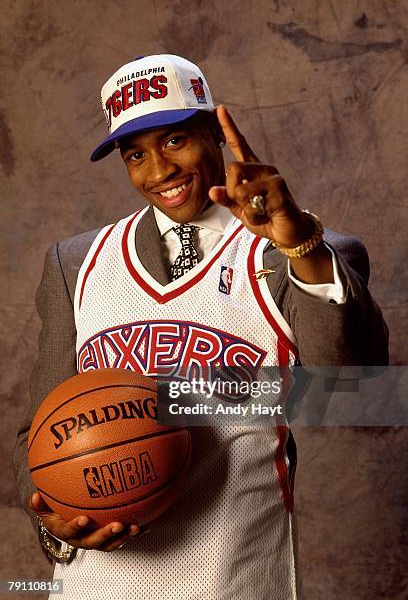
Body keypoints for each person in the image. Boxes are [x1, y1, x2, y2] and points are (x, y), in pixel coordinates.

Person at [13, 54, 388, 599]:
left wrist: (299, 244)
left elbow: (355, 388)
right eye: (134, 154)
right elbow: (39, 430)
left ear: (214, 132)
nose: (157, 171)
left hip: (236, 577)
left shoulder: (300, 252)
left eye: (174, 141)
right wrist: (53, 518)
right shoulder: (76, 263)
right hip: (96, 585)